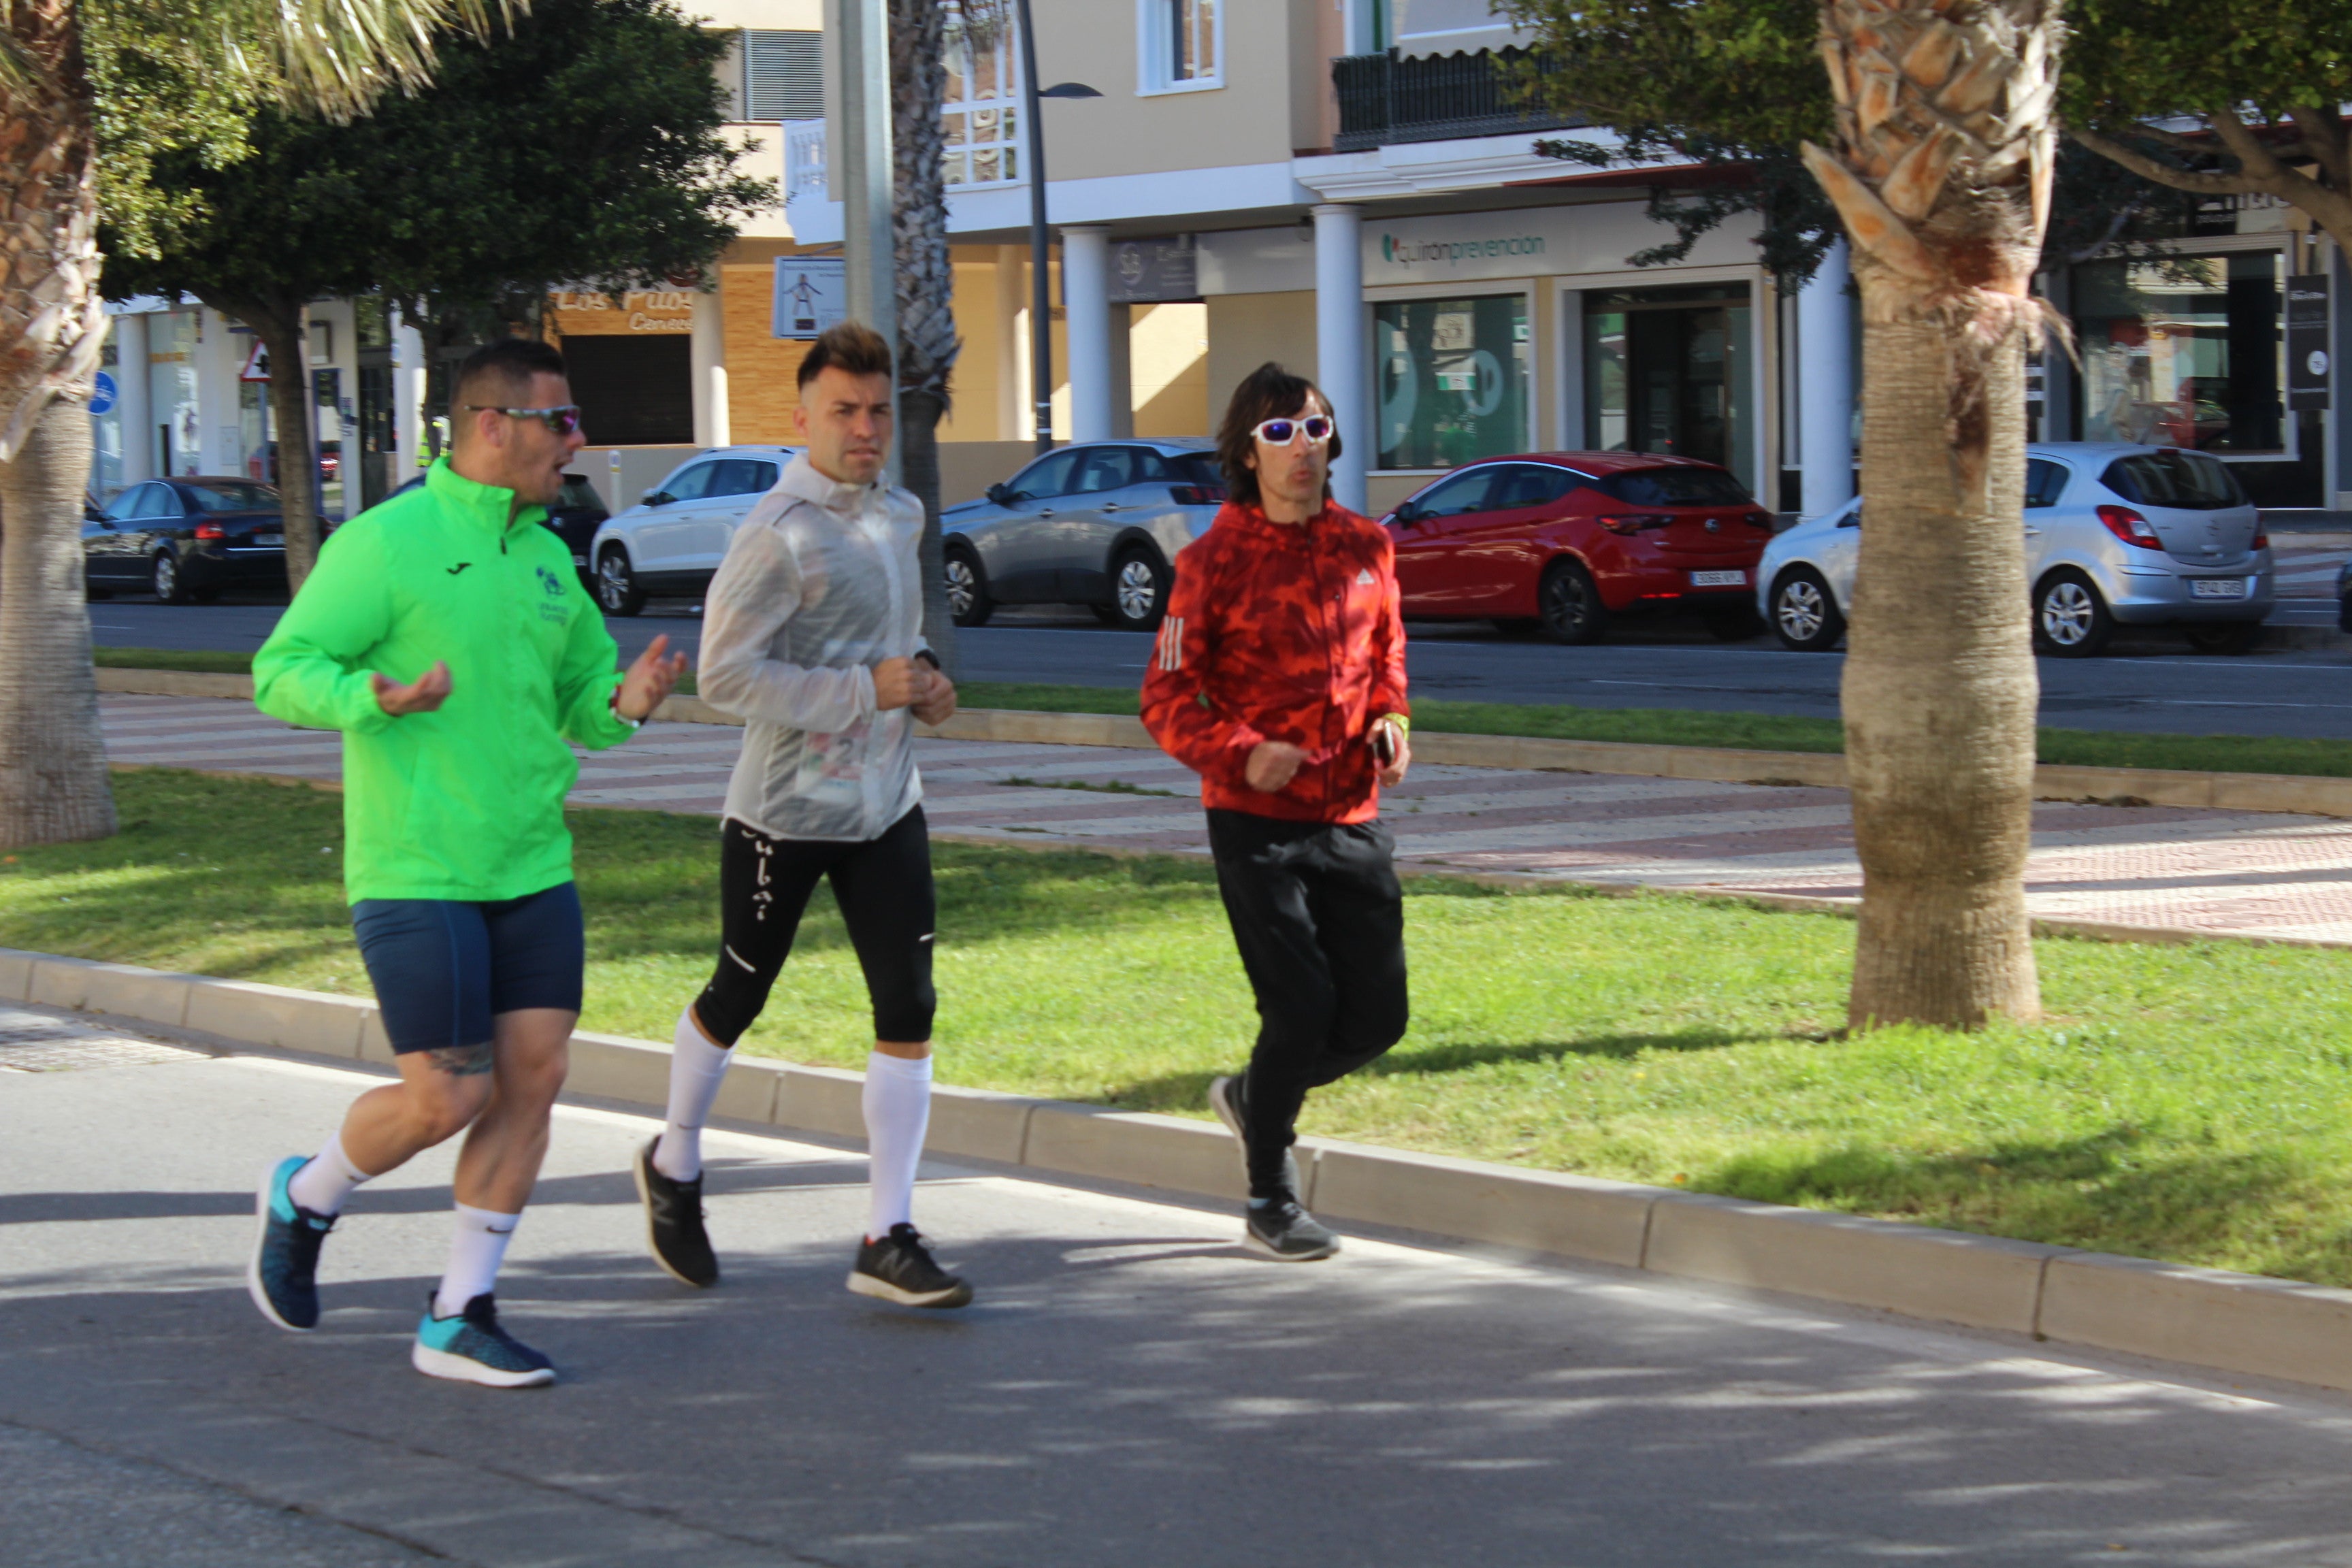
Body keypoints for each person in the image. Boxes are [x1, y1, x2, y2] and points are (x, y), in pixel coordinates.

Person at [246, 338, 687, 1386]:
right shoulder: (385, 543)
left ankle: (459, 1311)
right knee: (446, 1096)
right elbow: (281, 671)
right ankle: (306, 1196)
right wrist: (372, 700)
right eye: (562, 422)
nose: (576, 441)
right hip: (415, 867)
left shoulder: (546, 554)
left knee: (532, 1084)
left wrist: (624, 703)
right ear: (494, 427)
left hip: (530, 863)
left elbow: (580, 694)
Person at [632, 321, 970, 1309]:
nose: (865, 429)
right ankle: (676, 1161)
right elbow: (730, 678)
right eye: (844, 412)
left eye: (876, 412)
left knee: (909, 1005)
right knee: (740, 991)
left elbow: (898, 651)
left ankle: (887, 1233)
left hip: (886, 803)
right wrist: (870, 688)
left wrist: (928, 686)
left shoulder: (901, 514)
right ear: (804, 418)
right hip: (785, 811)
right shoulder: (775, 533)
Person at [1141, 363, 1413, 1262]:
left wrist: (1393, 718)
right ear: (1247, 453)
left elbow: (1387, 655)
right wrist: (1240, 751)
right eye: (1280, 434)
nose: (1302, 450)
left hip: (1351, 812)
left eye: (1316, 431)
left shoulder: (1368, 546)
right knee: (1299, 1008)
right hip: (1255, 822)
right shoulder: (1207, 566)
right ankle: (1269, 1194)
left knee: (1377, 1020)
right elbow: (1164, 699)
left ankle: (1257, 1098)